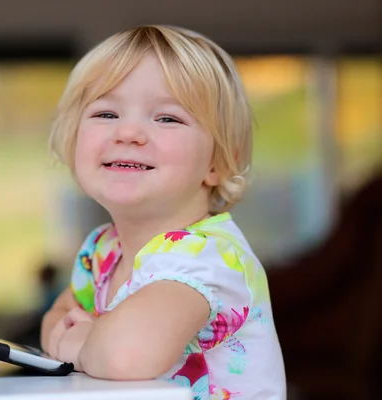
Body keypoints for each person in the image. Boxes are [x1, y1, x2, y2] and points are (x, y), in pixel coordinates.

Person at [40, 25, 286, 399]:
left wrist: (81, 344)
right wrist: (84, 340)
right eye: (106, 113)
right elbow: (55, 322)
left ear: (218, 163)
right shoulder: (102, 251)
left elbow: (126, 356)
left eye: (167, 118)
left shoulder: (207, 256)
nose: (128, 133)